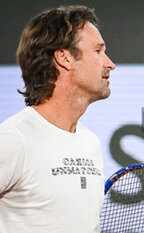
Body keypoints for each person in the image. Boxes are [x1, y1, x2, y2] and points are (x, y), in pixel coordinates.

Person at [0, 5, 115, 233]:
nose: (110, 63)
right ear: (65, 58)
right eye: (98, 51)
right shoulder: (13, 139)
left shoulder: (90, 142)